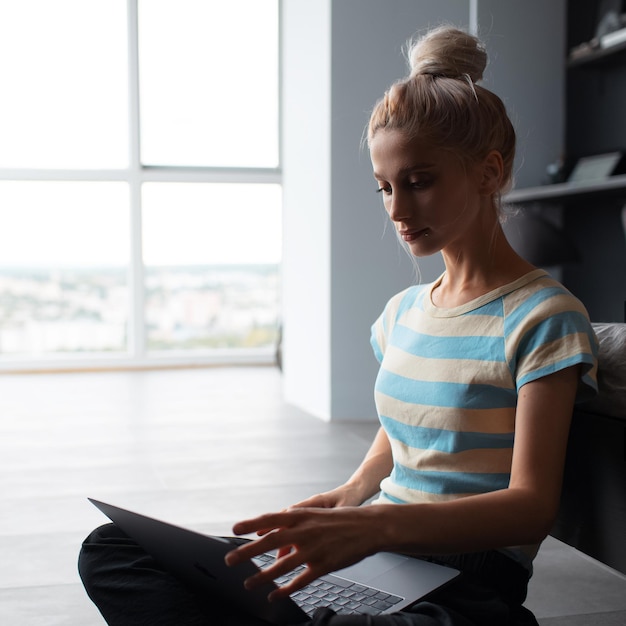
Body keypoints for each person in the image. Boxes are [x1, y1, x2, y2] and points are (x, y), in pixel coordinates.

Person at [78, 25, 598, 625]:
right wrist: (351, 495)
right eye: (384, 187)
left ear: (487, 172)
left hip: (465, 582)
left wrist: (375, 522)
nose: (398, 211)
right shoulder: (403, 313)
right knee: (113, 548)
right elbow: (412, 426)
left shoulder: (543, 316)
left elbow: (530, 508)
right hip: (375, 554)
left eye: (419, 181)